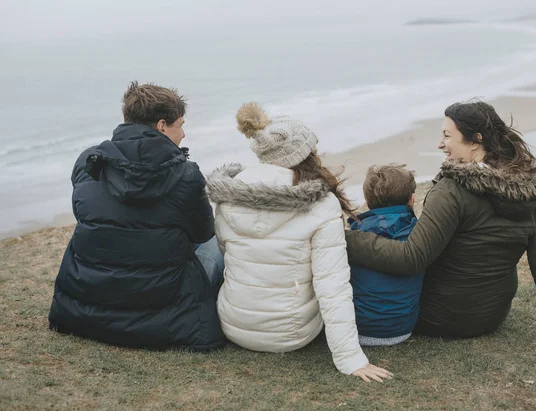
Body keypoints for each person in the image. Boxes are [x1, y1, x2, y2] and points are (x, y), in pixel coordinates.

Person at [344, 100, 536, 365]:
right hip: (492, 315)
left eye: (446, 135)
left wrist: (346, 238)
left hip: (439, 316)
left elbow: (411, 258)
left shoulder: (452, 189)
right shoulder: (533, 188)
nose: (440, 144)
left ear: (475, 140)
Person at [206, 102, 392, 382]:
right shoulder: (321, 204)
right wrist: (350, 358)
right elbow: (332, 286)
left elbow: (226, 253)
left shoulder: (230, 194)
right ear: (304, 153)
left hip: (234, 326)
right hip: (291, 334)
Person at [48, 81, 226, 351]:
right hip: (163, 306)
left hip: (87, 302)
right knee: (218, 243)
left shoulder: (91, 160)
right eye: (180, 124)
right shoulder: (186, 175)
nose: (184, 133)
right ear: (162, 126)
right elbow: (202, 232)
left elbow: (84, 211)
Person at [348, 164, 424, 347]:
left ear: (366, 199)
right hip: (403, 329)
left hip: (358, 329)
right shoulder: (419, 234)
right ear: (412, 199)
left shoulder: (357, 232)